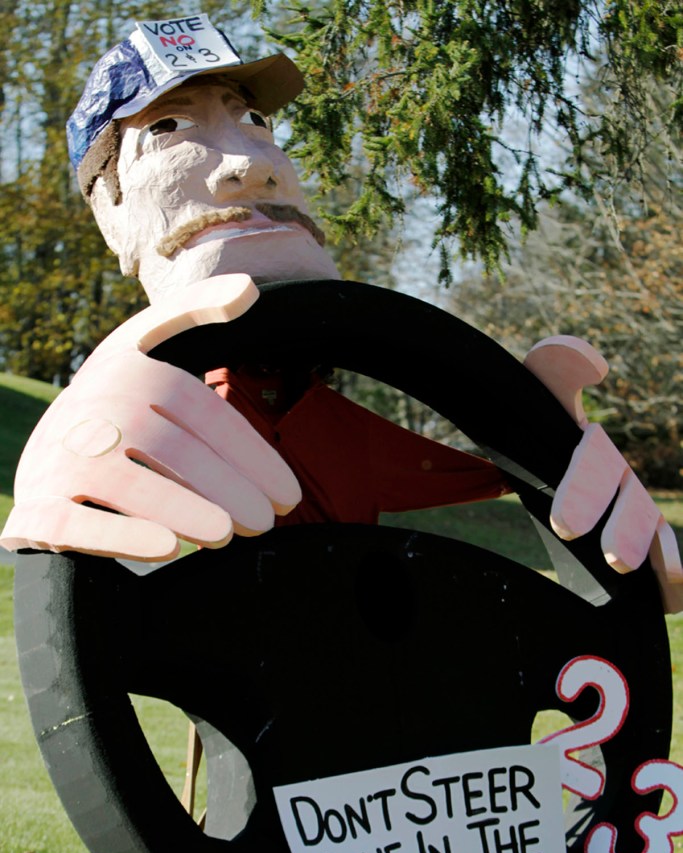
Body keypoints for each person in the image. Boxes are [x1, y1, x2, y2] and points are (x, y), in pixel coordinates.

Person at [0, 11, 680, 611]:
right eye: (170, 128)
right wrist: (73, 453)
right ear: (109, 216)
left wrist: (540, 445)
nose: (251, 164)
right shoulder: (154, 415)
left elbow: (462, 470)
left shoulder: (334, 426)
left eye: (256, 121)